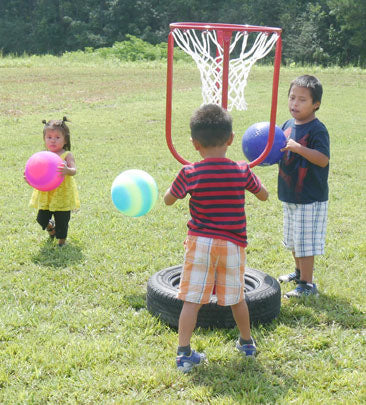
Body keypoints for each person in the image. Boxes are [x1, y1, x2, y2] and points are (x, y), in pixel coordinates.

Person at [164, 104, 269, 372]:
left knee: (192, 299)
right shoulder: (242, 171)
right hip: (233, 244)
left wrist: (176, 188)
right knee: (237, 298)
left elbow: (167, 200)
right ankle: (246, 343)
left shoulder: (189, 173)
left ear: (195, 144)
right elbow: (264, 194)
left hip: (200, 243)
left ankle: (184, 353)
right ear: (231, 139)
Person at [277, 75, 330, 298]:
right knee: (294, 239)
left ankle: (308, 285)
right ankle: (299, 274)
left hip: (310, 197)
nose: (294, 104)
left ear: (315, 104)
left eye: (301, 100)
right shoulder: (287, 125)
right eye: (291, 98)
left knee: (306, 242)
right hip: (290, 194)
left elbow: (322, 159)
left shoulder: (318, 129)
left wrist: (299, 148)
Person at [29, 117, 80, 247]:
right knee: (41, 219)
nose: (53, 140)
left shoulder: (66, 154)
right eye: (49, 137)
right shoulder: (43, 156)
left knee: (62, 220)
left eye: (57, 137)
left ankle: (61, 242)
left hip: (62, 194)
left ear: (65, 140)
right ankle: (51, 227)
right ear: (44, 139)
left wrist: (67, 170)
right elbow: (38, 175)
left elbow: (74, 170)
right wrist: (29, 178)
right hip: (46, 194)